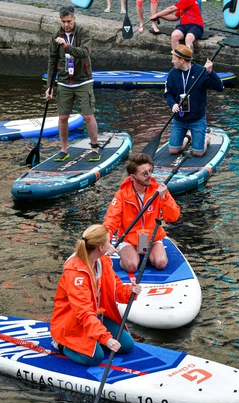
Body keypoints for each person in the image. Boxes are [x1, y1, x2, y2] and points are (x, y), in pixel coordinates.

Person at [50, 224, 141, 366]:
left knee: (127, 345)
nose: (111, 245)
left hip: (95, 316)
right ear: (100, 248)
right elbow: (84, 313)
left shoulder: (102, 261)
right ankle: (61, 344)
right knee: (95, 357)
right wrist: (106, 338)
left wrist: (130, 291)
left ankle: (93, 337)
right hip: (73, 322)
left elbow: (115, 287)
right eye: (109, 242)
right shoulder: (75, 274)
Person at [103, 153, 181, 273]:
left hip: (152, 238)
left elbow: (173, 217)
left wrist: (164, 198)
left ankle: (149, 254)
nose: (150, 176)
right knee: (132, 266)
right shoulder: (122, 194)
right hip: (129, 240)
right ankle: (125, 256)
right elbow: (111, 219)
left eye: (150, 171)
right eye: (145, 174)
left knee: (161, 263)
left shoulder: (159, 190)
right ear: (133, 177)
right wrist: (106, 241)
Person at [46, 6, 100, 162]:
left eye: (68, 21)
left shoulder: (84, 33)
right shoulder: (56, 36)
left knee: (88, 115)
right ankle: (63, 150)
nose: (66, 25)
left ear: (74, 19)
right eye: (63, 22)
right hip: (64, 82)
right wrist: (50, 85)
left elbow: (84, 52)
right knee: (63, 117)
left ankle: (95, 148)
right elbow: (52, 61)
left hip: (83, 80)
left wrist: (67, 46)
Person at [163, 45, 224, 156]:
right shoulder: (172, 73)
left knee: (198, 153)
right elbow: (168, 93)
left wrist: (211, 72)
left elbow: (220, 87)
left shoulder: (201, 72)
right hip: (180, 119)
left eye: (174, 59)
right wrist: (172, 104)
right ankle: (188, 138)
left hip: (197, 119)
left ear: (182, 60)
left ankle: (206, 139)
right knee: (173, 150)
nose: (172, 61)